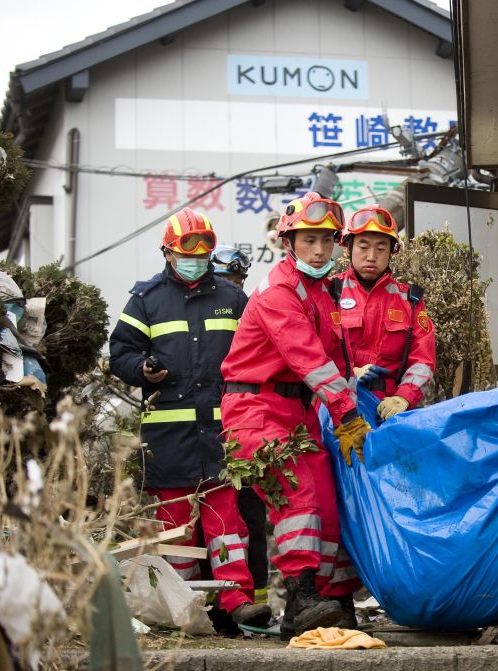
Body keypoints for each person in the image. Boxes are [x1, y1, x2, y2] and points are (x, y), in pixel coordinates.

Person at [219, 192, 372, 641]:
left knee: (326, 497)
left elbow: (338, 362)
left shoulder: (321, 292)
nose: (320, 251)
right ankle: (301, 597)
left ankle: (332, 598)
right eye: (310, 240)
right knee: (297, 492)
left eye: (327, 241)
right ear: (290, 242)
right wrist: (347, 415)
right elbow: (311, 361)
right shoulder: (279, 293)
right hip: (254, 408)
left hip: (297, 410)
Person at [108, 207, 271, 628]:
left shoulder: (233, 299)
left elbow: (259, 346)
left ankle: (236, 600)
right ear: (168, 251)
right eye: (188, 248)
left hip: (222, 432)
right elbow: (120, 353)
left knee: (226, 520)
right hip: (169, 435)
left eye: (205, 248)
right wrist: (141, 368)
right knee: (175, 524)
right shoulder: (146, 300)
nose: (197, 255)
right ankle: (184, 607)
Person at [208, 243, 270, 609]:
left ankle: (255, 601)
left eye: (237, 279)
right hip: (206, 436)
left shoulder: (249, 309)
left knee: (251, 519)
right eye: (226, 279)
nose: (232, 286)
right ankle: (221, 603)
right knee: (216, 522)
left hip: (242, 431)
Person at [331, 205, 436, 419]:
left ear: (391, 251)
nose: (371, 256)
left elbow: (422, 361)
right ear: (349, 247)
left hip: (388, 411)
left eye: (381, 248)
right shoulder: (329, 292)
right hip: (335, 405)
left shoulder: (411, 301)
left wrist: (404, 397)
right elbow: (312, 352)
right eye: (363, 246)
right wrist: (349, 371)